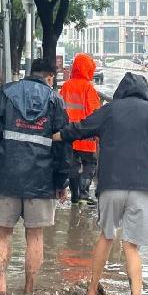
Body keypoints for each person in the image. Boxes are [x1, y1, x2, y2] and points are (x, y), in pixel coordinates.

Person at [54, 72, 148, 295]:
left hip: (111, 185)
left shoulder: (110, 110)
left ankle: (91, 291)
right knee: (131, 246)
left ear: (121, 90)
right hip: (142, 188)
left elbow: (81, 128)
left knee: (106, 237)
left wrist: (56, 135)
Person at [0, 58, 70, 295]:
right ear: (50, 77)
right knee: (35, 236)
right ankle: (29, 289)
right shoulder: (55, 100)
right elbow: (63, 144)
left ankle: (1, 283)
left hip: (7, 175)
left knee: (3, 232)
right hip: (42, 179)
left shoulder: (6, 94)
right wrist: (62, 181)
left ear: (29, 73)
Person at [59, 53, 101, 205]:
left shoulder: (66, 86)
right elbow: (95, 113)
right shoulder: (89, 88)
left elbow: (60, 108)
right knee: (90, 163)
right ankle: (83, 193)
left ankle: (75, 197)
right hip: (85, 134)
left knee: (73, 165)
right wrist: (97, 133)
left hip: (69, 133)